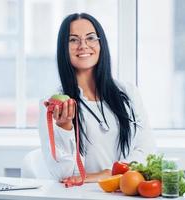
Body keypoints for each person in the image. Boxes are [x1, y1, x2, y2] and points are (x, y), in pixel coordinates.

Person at [38, 13, 155, 184]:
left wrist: (109, 174)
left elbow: (147, 149)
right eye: (73, 40)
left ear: (101, 43)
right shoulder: (53, 104)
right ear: (63, 48)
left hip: (126, 192)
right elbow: (64, 174)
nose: (83, 45)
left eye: (91, 38)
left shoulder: (128, 93)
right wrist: (65, 128)